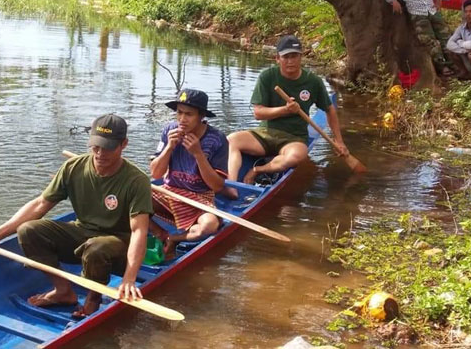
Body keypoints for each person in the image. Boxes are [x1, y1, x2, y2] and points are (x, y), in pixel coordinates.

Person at [0, 114, 153, 318]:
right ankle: (63, 291)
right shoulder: (73, 168)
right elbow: (40, 204)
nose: (100, 154)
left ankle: (93, 298)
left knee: (96, 248)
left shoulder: (136, 180)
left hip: (118, 243)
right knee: (29, 230)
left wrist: (129, 278)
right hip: (82, 232)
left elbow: (139, 231)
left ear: (124, 145)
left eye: (108, 148)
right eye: (96, 147)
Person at [225, 35, 348, 199]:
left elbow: (330, 110)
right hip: (266, 134)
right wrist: (285, 110)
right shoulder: (267, 77)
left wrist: (339, 141)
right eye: (286, 57)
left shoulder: (313, 82)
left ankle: (257, 169)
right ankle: (231, 185)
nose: (290, 61)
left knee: (295, 158)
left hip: (294, 138)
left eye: (294, 56)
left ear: (301, 57)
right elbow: (258, 113)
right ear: (277, 58)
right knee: (231, 140)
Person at [149, 89, 228, 253]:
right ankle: (159, 233)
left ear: (201, 116)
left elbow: (217, 186)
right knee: (130, 201)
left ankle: (175, 239)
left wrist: (198, 154)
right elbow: (156, 174)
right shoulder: (169, 131)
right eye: (179, 113)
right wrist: (169, 147)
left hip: (200, 198)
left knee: (209, 226)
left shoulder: (217, 139)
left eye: (189, 114)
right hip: (170, 193)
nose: (182, 119)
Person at [385, 0, 455, 76]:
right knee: (428, 40)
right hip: (417, 14)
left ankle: (453, 63)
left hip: (432, 9)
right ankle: (442, 66)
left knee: (446, 36)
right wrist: (393, 1)